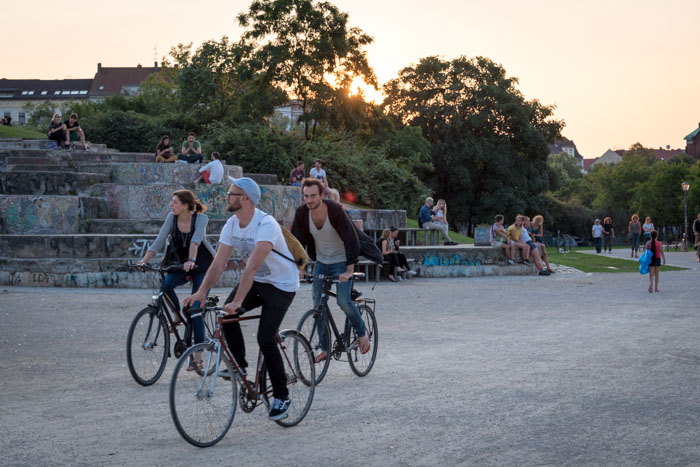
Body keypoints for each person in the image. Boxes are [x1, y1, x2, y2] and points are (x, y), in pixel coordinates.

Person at [183, 177, 299, 421]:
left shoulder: (265, 224)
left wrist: (239, 302)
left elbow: (252, 268)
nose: (226, 196)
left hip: (281, 284)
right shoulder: (232, 224)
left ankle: (282, 397)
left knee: (265, 337)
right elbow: (218, 263)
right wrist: (201, 292)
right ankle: (240, 367)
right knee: (227, 316)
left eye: (231, 193)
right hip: (259, 281)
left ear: (245, 198)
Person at [291, 178, 371, 363]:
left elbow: (351, 239)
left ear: (322, 195)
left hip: (342, 261)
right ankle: (325, 348)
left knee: (343, 301)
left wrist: (349, 271)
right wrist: (299, 268)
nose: (309, 200)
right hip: (321, 262)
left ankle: (361, 332)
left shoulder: (335, 211)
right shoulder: (302, 213)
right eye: (306, 196)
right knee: (318, 305)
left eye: (313, 196)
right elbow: (296, 242)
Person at [136, 190, 214, 371]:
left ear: (185, 205)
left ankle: (198, 358)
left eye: (174, 202)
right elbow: (159, 240)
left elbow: (195, 241)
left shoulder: (201, 219)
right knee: (166, 285)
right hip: (181, 264)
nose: (171, 205)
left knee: (195, 309)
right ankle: (177, 314)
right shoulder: (172, 218)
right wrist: (143, 261)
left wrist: (192, 260)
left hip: (202, 265)